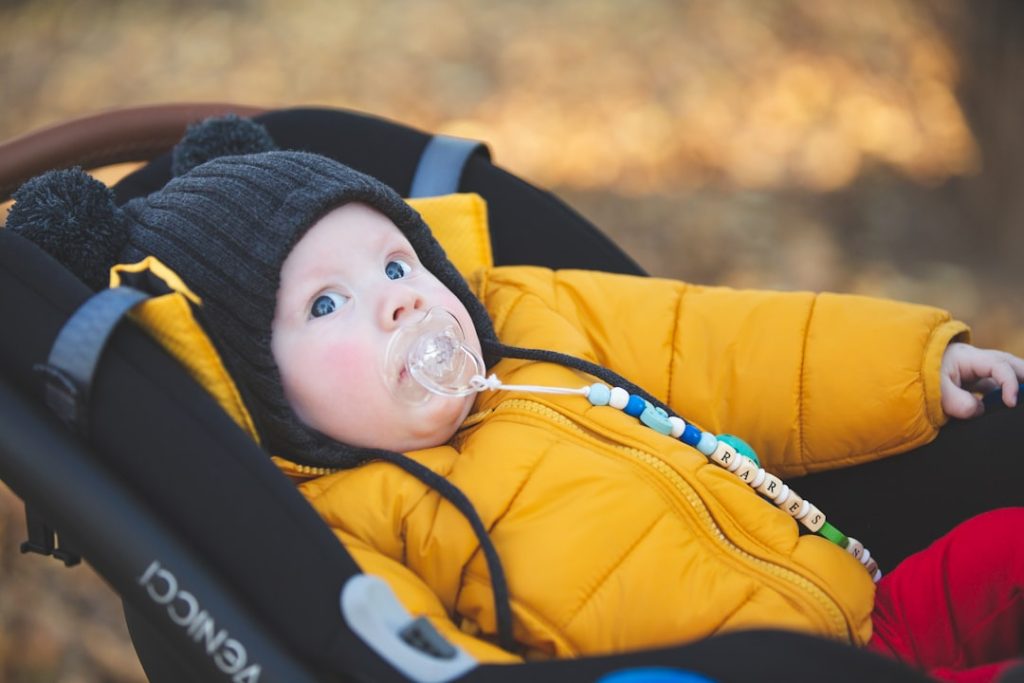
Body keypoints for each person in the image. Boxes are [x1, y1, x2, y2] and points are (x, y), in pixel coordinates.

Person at [7, 115, 1023, 682]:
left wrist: (911, 367)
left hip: (872, 606)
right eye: (326, 302)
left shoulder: (530, 327)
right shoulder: (348, 517)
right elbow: (413, 658)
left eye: (398, 263)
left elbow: (719, 342)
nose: (400, 300)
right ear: (257, 384)